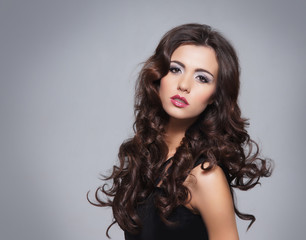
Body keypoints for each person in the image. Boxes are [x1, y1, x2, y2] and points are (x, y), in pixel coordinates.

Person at [89, 23, 272, 240]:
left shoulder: (206, 176)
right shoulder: (148, 157)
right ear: (159, 76)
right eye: (175, 69)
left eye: (202, 78)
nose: (184, 85)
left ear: (215, 95)